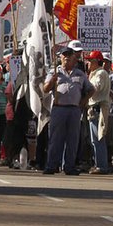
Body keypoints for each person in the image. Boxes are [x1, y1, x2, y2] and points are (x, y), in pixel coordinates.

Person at [41, 41, 94, 175]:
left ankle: (69, 166)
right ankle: (52, 165)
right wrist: (52, 81)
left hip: (74, 110)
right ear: (60, 58)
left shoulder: (80, 74)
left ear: (73, 59)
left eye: (69, 56)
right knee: (55, 139)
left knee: (73, 139)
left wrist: (83, 101)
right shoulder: (54, 72)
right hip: (59, 108)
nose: (66, 58)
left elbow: (91, 89)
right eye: (64, 56)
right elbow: (45, 89)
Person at [85, 51, 111, 174]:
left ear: (97, 62)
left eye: (91, 61)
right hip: (93, 109)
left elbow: (95, 88)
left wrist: (84, 86)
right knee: (95, 140)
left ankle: (102, 166)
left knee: (99, 139)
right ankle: (99, 164)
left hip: (98, 109)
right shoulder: (94, 73)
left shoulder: (100, 73)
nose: (88, 63)